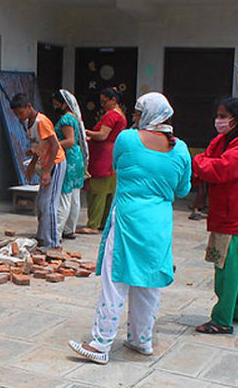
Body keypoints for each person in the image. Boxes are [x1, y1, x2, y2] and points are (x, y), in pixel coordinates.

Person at [68, 93, 190, 362]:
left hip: (128, 218)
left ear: (146, 114)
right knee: (148, 284)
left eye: (136, 113)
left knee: (115, 281)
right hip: (159, 222)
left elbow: (117, 167)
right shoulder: (181, 149)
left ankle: (100, 344)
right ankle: (141, 340)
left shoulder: (127, 139)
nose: (133, 117)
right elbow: (183, 188)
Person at [192, 98, 238, 334]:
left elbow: (219, 169)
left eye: (224, 116)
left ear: (237, 118)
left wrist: (197, 161)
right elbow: (210, 157)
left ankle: (222, 319)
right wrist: (205, 160)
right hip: (230, 210)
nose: (219, 120)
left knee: (228, 267)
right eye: (219, 115)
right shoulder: (226, 139)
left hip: (236, 214)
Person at [11, 93, 66, 249]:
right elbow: (39, 147)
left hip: (55, 163)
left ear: (29, 107)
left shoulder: (41, 122)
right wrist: (31, 165)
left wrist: (47, 171)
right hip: (45, 163)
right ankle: (42, 238)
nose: (19, 117)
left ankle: (54, 243)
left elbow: (55, 145)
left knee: (49, 205)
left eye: (20, 113)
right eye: (16, 115)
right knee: (41, 203)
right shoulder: (29, 123)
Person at [77, 88, 128, 234]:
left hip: (103, 155)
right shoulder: (120, 114)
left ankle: (93, 224)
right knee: (107, 191)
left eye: (105, 101)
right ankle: (102, 222)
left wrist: (85, 132)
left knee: (96, 191)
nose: (103, 104)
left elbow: (102, 135)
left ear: (113, 100)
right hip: (112, 154)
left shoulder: (111, 115)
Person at [51, 90, 88, 240]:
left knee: (64, 196)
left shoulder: (66, 119)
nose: (54, 105)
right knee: (74, 196)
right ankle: (69, 229)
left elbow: (70, 140)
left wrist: (51, 146)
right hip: (76, 158)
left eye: (56, 102)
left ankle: (57, 233)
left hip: (69, 158)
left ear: (63, 103)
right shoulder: (74, 117)